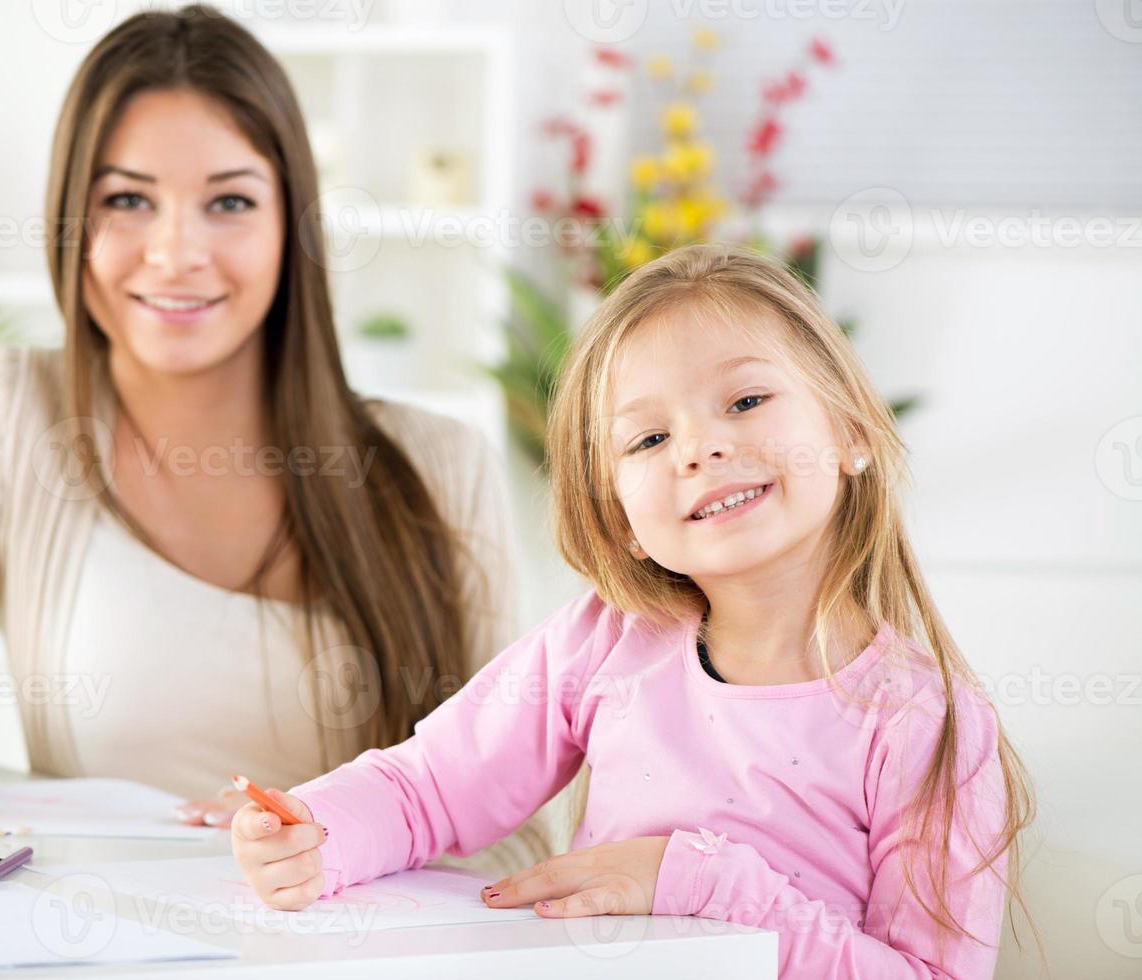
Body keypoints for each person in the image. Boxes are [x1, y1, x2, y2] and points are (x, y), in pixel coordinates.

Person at [0, 6, 554, 873]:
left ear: (290, 223)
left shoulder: (440, 464)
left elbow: (514, 829)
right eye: (127, 201)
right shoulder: (12, 413)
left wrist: (341, 837)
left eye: (229, 201)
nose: (176, 252)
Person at [232, 243, 1033, 977]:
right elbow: (431, 788)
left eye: (746, 399)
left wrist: (699, 880)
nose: (698, 447)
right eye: (647, 441)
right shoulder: (607, 643)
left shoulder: (924, 724)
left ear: (852, 430)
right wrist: (316, 834)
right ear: (622, 521)